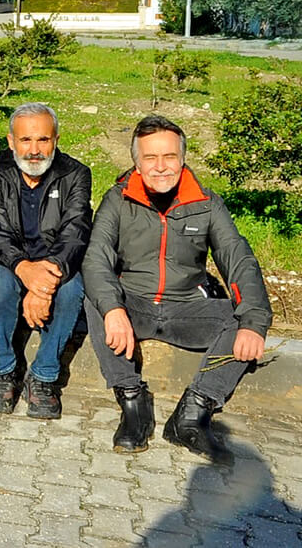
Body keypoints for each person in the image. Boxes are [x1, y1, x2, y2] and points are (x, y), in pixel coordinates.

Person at [82, 115, 272, 464]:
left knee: (241, 318)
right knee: (95, 298)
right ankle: (133, 402)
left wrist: (253, 322)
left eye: (169, 156)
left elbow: (238, 258)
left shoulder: (207, 203)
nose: (160, 167)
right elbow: (96, 258)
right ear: (137, 162)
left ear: (182, 158)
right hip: (135, 304)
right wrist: (114, 310)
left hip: (186, 308)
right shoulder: (118, 200)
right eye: (150, 158)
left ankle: (192, 414)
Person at [0, 103, 92, 419]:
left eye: (43, 140)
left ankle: (43, 375)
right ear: (11, 141)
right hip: (10, 263)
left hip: (56, 264)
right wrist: (24, 269)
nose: (34, 150)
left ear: (56, 140)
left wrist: (44, 281)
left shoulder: (75, 174)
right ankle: (4, 370)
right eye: (25, 140)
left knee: (72, 289)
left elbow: (76, 230)